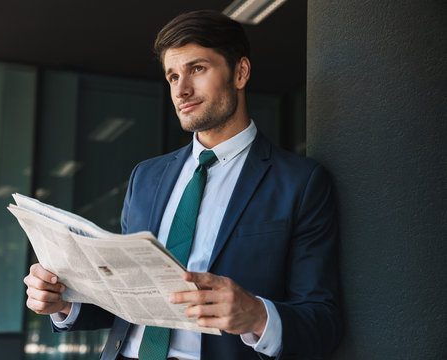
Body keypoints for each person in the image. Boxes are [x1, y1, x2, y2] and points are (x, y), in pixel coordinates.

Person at [23, 9, 342, 360]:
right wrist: (64, 301)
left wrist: (256, 314)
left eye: (197, 69)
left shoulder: (300, 181)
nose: (182, 90)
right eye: (173, 76)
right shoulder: (146, 176)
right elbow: (128, 298)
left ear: (240, 72)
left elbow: (321, 321)